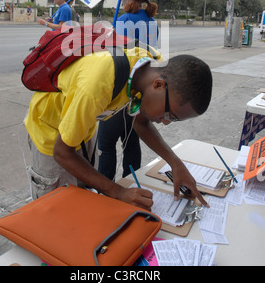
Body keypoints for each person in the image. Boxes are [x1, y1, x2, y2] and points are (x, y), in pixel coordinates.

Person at [24, 47, 213, 211]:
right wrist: (118, 191)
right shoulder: (97, 86)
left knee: (82, 196)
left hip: (81, 127)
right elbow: (63, 153)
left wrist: (175, 163)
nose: (165, 122)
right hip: (50, 131)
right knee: (57, 209)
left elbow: (140, 122)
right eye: (169, 114)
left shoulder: (151, 66)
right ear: (158, 85)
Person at [98, 0, 158, 180]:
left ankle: (106, 190)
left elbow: (115, 57)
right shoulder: (152, 22)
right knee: (131, 142)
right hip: (140, 93)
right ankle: (132, 183)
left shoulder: (123, 20)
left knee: (105, 145)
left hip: (120, 91)